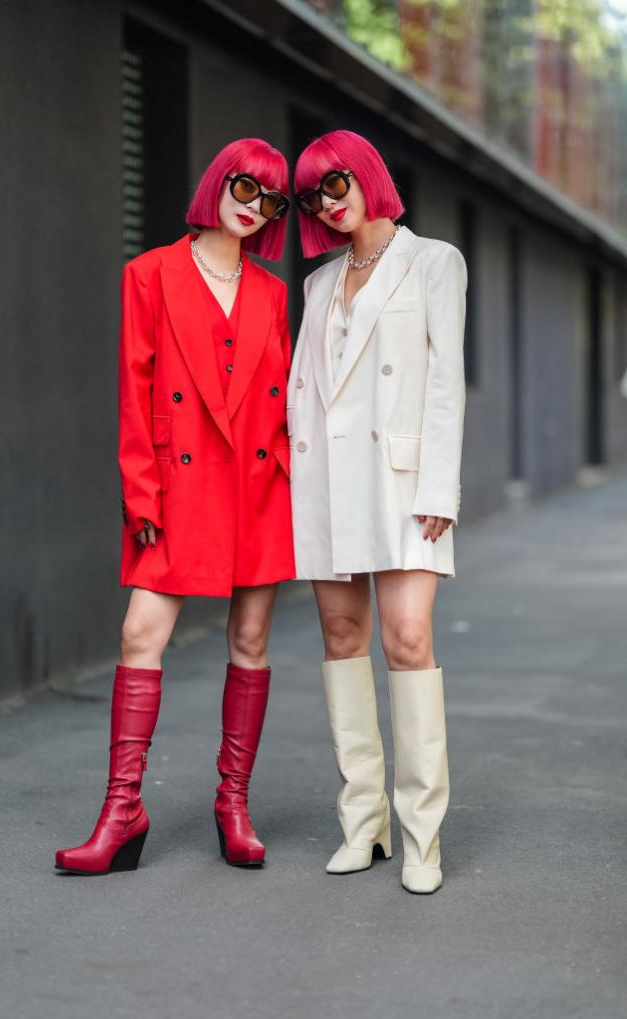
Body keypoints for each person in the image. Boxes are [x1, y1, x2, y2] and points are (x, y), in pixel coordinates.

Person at [55, 138, 294, 875]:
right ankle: (122, 810)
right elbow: (135, 391)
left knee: (250, 641)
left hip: (256, 487)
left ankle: (234, 803)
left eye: (272, 200)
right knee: (141, 632)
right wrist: (141, 491)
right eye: (245, 190)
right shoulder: (150, 274)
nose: (254, 208)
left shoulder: (272, 291)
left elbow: (282, 396)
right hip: (177, 486)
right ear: (218, 185)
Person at [288, 130, 467, 894]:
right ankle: (364, 820)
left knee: (408, 634)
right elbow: (306, 387)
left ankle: (422, 834)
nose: (328, 202)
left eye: (335, 185)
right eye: (313, 194)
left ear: (366, 177)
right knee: (340, 633)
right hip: (330, 478)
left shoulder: (434, 261)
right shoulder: (319, 282)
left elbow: (445, 382)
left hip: (400, 481)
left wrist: (439, 488)